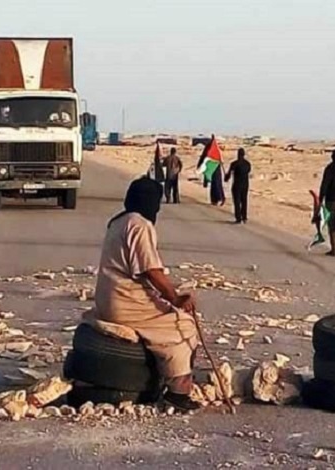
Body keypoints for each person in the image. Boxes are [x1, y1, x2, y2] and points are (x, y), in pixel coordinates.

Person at [83, 177, 201, 411]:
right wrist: (175, 299)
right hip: (127, 303)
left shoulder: (118, 221)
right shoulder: (139, 225)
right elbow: (150, 271)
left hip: (109, 298)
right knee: (183, 326)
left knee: (171, 314)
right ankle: (177, 391)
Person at [225, 148, 252, 223]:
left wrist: (226, 178)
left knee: (237, 202)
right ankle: (244, 217)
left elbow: (229, 174)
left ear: (238, 154)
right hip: (245, 185)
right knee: (244, 200)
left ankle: (238, 218)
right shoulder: (248, 164)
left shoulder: (234, 163)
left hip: (237, 185)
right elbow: (249, 171)